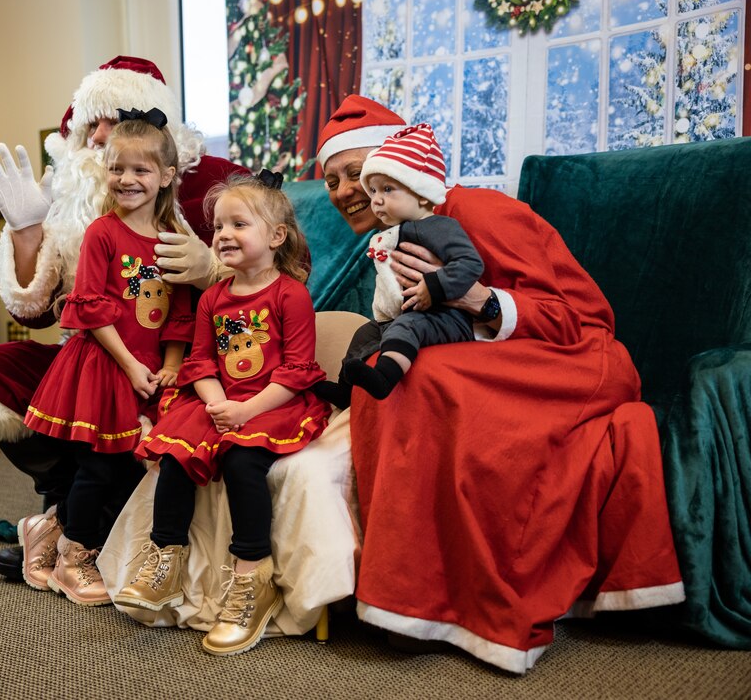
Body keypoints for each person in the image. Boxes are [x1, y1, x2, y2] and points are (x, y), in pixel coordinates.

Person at [317, 95, 684, 673]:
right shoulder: (396, 234)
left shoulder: (479, 211)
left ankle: (449, 596)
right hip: (496, 356)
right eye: (331, 180)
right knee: (390, 370)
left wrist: (476, 297)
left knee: (421, 377)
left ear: (400, 162)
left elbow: (586, 318)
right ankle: (413, 596)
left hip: (576, 358)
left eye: (355, 172)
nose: (342, 191)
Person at [0, 56, 248, 582]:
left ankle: (68, 524)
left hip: (179, 361)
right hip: (97, 354)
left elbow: (269, 270)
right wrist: (26, 232)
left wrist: (211, 268)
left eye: (121, 117)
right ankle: (72, 520)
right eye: (94, 123)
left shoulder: (213, 187)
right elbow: (37, 312)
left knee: (144, 425)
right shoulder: (71, 204)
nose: (104, 135)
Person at [114, 172, 332, 656]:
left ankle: (254, 579)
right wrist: (216, 404)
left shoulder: (290, 294)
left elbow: (298, 369)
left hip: (272, 401)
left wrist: (245, 410)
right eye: (217, 227)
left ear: (277, 237)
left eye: (239, 224)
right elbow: (200, 361)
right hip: (220, 399)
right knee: (175, 454)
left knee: (241, 463)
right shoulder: (213, 296)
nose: (223, 235)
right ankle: (165, 562)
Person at [19, 110, 194, 605]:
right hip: (105, 365)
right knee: (94, 468)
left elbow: (180, 310)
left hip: (150, 371)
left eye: (141, 170)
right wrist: (130, 365)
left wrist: (173, 366)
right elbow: (90, 309)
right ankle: (73, 559)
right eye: (118, 168)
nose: (127, 179)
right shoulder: (103, 233)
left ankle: (63, 539)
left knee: (128, 470)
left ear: (166, 176)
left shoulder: (174, 236)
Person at [316, 123, 483, 407]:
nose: (376, 199)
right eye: (332, 184)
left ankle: (385, 377)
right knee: (364, 333)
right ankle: (346, 390)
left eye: (356, 175)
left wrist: (434, 287)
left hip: (438, 316)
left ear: (419, 190)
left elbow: (470, 264)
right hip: (400, 314)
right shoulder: (389, 233)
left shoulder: (438, 225)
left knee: (407, 326)